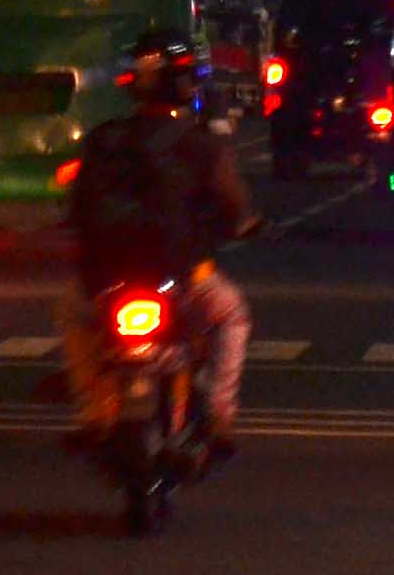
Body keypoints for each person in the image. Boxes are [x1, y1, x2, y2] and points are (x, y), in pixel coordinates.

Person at [65, 34, 255, 463]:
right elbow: (234, 206)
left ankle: (95, 412)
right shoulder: (201, 145)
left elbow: (77, 206)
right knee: (232, 316)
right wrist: (244, 224)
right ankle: (221, 413)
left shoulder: (104, 140)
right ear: (185, 84)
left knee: (72, 316)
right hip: (183, 282)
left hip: (103, 284)